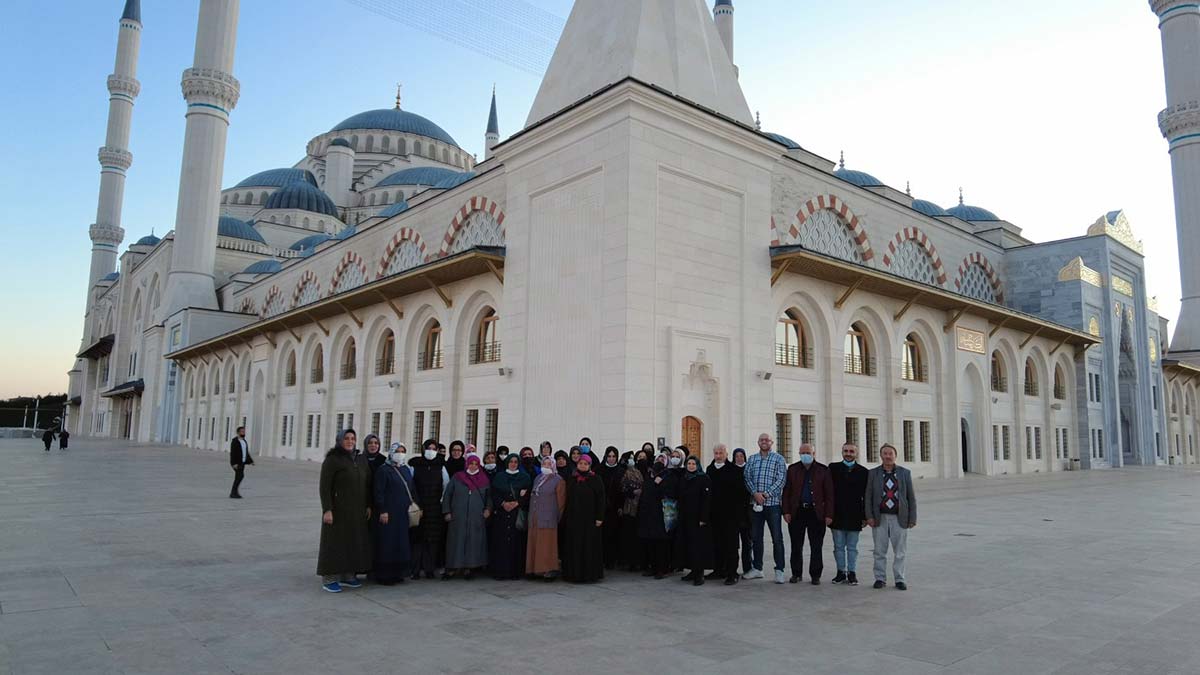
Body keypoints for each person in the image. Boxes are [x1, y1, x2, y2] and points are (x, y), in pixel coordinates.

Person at [317, 429, 372, 593]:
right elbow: (324, 487)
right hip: (338, 510)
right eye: (346, 438)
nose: (350, 441)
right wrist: (327, 509)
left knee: (353, 541)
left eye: (353, 438)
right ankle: (329, 577)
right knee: (334, 543)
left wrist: (368, 505)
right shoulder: (333, 460)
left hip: (357, 510)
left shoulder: (360, 459)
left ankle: (348, 574)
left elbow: (367, 484)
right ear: (340, 440)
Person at [866, 443, 917, 590]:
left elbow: (911, 497)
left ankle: (899, 579)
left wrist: (912, 518)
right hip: (880, 517)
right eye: (885, 454)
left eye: (890, 454)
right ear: (881, 456)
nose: (888, 456)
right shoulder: (873, 473)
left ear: (895, 456)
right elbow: (868, 496)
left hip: (899, 517)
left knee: (900, 551)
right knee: (879, 551)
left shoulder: (904, 473)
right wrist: (869, 516)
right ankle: (880, 578)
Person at [782, 443, 834, 585]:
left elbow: (829, 494)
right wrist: (786, 511)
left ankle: (815, 575)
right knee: (796, 545)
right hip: (797, 512)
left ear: (814, 454)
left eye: (808, 452)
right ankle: (796, 573)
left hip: (816, 513)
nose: (805, 455)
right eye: (802, 453)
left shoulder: (823, 470)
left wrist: (829, 514)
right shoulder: (792, 469)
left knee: (816, 545)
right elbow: (786, 492)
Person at [743, 433, 788, 583]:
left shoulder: (779, 459)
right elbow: (747, 477)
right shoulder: (752, 459)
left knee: (777, 538)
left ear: (771, 442)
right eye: (761, 440)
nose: (764, 442)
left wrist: (766, 494)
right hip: (755, 505)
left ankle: (779, 570)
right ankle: (757, 568)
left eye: (766, 440)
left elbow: (781, 480)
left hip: (772, 505)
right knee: (756, 538)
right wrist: (755, 493)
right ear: (758, 442)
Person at [441, 453, 490, 579]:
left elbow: (489, 498)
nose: (473, 466)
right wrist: (447, 511)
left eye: (476, 464)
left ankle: (470, 567)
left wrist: (488, 509)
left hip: (476, 517)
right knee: (456, 542)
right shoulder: (458, 477)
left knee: (473, 543)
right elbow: (448, 495)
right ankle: (453, 567)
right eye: (471, 464)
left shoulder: (484, 479)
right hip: (458, 516)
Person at [373, 444, 415, 585]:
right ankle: (385, 575)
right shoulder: (384, 470)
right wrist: (383, 510)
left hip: (402, 513)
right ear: (391, 453)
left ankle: (398, 572)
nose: (400, 454)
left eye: (403, 451)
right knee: (387, 543)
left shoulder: (405, 469)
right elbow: (379, 491)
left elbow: (411, 488)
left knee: (400, 542)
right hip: (389, 513)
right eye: (397, 451)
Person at [408, 439, 449, 579]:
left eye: (434, 448)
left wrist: (440, 502)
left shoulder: (441, 466)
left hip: (434, 508)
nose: (431, 451)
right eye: (428, 448)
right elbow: (411, 486)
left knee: (431, 540)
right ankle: (415, 570)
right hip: (418, 508)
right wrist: (415, 504)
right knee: (417, 539)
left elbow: (445, 486)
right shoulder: (415, 465)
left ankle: (429, 568)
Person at [561, 453, 606, 583]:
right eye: (580, 463)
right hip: (574, 520)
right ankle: (573, 574)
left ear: (589, 465)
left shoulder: (596, 479)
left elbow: (601, 499)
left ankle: (589, 574)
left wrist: (599, 517)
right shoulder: (572, 479)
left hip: (590, 520)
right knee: (574, 546)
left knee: (588, 546)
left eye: (585, 464)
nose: (582, 466)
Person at [829, 442, 869, 585]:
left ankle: (852, 572)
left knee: (852, 547)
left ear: (856, 453)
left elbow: (866, 496)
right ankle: (841, 572)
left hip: (855, 514)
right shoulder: (833, 468)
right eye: (846, 451)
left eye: (851, 451)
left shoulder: (863, 472)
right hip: (837, 514)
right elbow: (828, 493)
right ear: (842, 452)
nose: (848, 453)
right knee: (838, 546)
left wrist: (865, 516)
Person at [707, 444, 747, 585]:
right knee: (716, 543)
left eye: (721, 453)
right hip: (715, 515)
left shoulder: (734, 470)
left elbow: (741, 494)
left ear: (726, 454)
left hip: (731, 516)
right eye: (716, 453)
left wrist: (739, 515)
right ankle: (718, 570)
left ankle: (732, 573)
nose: (718, 456)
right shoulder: (710, 469)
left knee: (731, 545)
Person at [489, 453, 531, 580]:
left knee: (516, 544)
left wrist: (517, 502)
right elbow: (494, 493)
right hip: (502, 514)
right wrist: (503, 503)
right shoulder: (499, 477)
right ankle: (501, 572)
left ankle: (515, 572)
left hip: (516, 514)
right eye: (511, 461)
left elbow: (528, 494)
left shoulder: (524, 477)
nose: (513, 464)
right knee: (501, 544)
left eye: (516, 462)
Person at [637, 452, 680, 579]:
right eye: (658, 458)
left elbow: (671, 493)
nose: (660, 460)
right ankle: (653, 566)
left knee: (662, 543)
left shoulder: (669, 475)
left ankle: (663, 568)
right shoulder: (649, 475)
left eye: (663, 458)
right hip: (649, 513)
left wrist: (660, 483)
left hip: (662, 513)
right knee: (650, 541)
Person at [527, 456, 566, 580]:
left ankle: (548, 569)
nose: (546, 466)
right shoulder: (538, 478)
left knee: (547, 546)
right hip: (535, 517)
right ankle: (534, 569)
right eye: (544, 464)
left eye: (549, 464)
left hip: (549, 518)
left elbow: (561, 502)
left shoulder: (558, 480)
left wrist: (557, 517)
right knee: (535, 544)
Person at [677, 455, 713, 586]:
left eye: (693, 464)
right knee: (688, 545)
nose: (691, 466)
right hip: (685, 517)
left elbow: (706, 500)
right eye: (689, 463)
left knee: (698, 546)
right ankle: (692, 570)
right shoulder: (684, 478)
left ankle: (699, 574)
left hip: (698, 519)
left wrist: (703, 518)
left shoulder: (703, 479)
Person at [619, 449, 647, 571]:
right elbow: (621, 489)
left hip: (641, 507)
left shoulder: (643, 471)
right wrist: (632, 492)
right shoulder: (625, 472)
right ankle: (630, 561)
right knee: (629, 534)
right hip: (629, 507)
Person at [597, 446, 624, 569]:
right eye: (609, 456)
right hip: (602, 507)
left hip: (615, 507)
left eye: (614, 456)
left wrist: (620, 505)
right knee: (602, 534)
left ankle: (612, 560)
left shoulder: (621, 470)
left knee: (613, 533)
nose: (611, 459)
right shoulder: (599, 470)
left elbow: (622, 490)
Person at [732, 447, 753, 575]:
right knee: (734, 543)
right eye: (737, 456)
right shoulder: (731, 470)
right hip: (734, 512)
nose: (739, 458)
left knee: (747, 541)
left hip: (747, 512)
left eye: (741, 456)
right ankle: (732, 568)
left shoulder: (748, 470)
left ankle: (748, 567)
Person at [229, 426, 254, 499]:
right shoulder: (235, 441)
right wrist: (233, 463)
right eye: (242, 431)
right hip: (237, 463)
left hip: (242, 462)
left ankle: (234, 492)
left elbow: (246, 452)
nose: (243, 433)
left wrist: (251, 461)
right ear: (238, 432)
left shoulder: (244, 441)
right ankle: (233, 492)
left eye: (244, 431)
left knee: (239, 477)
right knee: (240, 476)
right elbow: (233, 453)